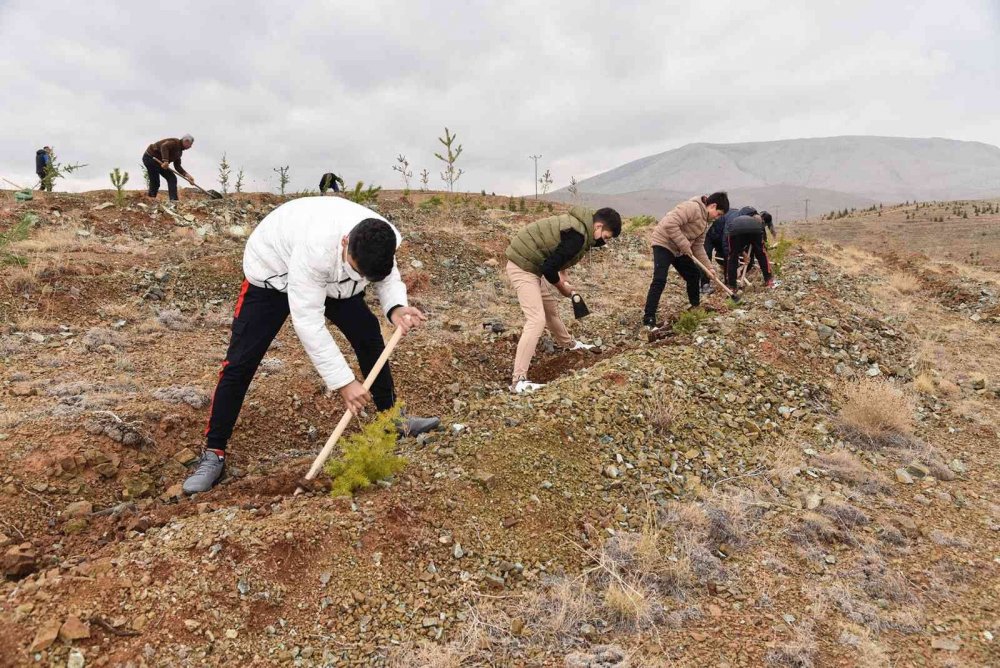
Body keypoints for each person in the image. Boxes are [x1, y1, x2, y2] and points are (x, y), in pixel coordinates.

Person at [182, 197, 440, 494]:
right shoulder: (316, 246)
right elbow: (308, 323)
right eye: (357, 270)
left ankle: (390, 420)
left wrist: (396, 307)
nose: (361, 279)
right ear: (345, 241)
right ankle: (214, 453)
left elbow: (387, 276)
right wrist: (344, 383)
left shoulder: (383, 238)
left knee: (368, 334)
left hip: (332, 281)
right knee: (240, 362)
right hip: (272, 275)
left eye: (364, 276)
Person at [504, 205, 622, 394]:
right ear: (598, 226)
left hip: (532, 265)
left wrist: (563, 275)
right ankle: (518, 381)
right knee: (537, 319)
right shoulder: (578, 235)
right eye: (606, 236)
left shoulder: (580, 227)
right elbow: (549, 268)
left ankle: (570, 345)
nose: (603, 241)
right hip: (522, 266)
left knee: (550, 309)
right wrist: (562, 287)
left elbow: (559, 251)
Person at [643, 192, 730, 328]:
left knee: (693, 274)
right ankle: (649, 318)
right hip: (663, 243)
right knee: (660, 279)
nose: (717, 218)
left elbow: (698, 246)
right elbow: (669, 224)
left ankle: (695, 306)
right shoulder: (692, 207)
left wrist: (709, 268)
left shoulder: (705, 223)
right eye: (718, 214)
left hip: (679, 248)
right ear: (712, 206)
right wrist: (684, 244)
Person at [725, 210, 776, 290]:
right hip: (755, 229)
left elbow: (734, 246)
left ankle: (732, 286)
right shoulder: (755, 219)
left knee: (733, 257)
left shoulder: (732, 221)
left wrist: (741, 252)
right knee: (761, 254)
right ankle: (768, 279)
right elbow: (760, 245)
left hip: (735, 230)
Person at [143, 135, 195, 201]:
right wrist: (166, 160)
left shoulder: (179, 152)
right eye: (190, 144)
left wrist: (187, 176)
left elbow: (177, 166)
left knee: (172, 178)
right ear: (186, 141)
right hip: (151, 158)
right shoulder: (174, 142)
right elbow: (164, 146)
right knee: (155, 181)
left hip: (161, 163)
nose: (190, 147)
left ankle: (173, 200)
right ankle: (151, 199)